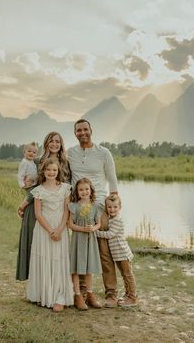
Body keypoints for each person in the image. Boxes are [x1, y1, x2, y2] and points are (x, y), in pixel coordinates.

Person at [67, 119, 119, 308]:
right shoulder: (71, 153)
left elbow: (113, 181)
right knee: (80, 251)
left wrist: (113, 208)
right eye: (78, 130)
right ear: (75, 133)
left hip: (99, 207)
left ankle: (111, 293)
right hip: (79, 209)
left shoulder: (104, 153)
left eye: (85, 129)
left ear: (91, 130)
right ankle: (81, 293)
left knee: (104, 252)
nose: (82, 133)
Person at [16, 131, 70, 281]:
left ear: (61, 144)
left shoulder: (66, 162)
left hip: (58, 210)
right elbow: (34, 184)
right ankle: (37, 282)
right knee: (34, 243)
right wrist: (25, 200)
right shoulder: (37, 160)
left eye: (57, 141)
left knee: (54, 247)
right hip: (36, 206)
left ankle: (54, 283)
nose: (54, 144)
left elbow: (69, 187)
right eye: (51, 141)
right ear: (46, 143)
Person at [26, 158, 73, 311]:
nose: (51, 172)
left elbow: (67, 211)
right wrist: (50, 230)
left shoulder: (65, 188)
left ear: (58, 171)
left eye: (54, 170)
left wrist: (59, 230)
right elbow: (38, 214)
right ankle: (44, 294)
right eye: (48, 170)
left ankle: (59, 296)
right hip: (43, 230)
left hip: (60, 228)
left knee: (59, 260)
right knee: (44, 258)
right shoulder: (38, 190)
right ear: (43, 172)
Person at [96, 194, 137, 307]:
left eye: (115, 207)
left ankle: (132, 297)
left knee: (127, 274)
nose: (112, 209)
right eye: (109, 207)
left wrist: (96, 232)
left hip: (122, 253)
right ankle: (127, 294)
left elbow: (110, 234)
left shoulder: (117, 220)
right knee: (124, 275)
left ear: (120, 207)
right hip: (117, 254)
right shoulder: (111, 219)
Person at [68, 178, 102, 310]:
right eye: (81, 190)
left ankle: (90, 294)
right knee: (76, 268)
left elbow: (98, 223)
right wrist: (82, 229)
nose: (84, 192)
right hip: (78, 239)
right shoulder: (74, 206)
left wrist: (93, 228)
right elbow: (70, 224)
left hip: (90, 240)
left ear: (91, 190)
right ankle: (77, 295)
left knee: (89, 268)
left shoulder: (95, 206)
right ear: (77, 191)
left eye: (86, 189)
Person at [17, 142, 38, 219]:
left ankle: (25, 210)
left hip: (34, 183)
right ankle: (21, 208)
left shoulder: (32, 162)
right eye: (29, 151)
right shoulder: (24, 162)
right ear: (24, 152)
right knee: (31, 195)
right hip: (28, 184)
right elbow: (20, 174)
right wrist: (22, 184)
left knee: (33, 197)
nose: (31, 153)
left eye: (34, 152)